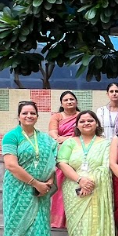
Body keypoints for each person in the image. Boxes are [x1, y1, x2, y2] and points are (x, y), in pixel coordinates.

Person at [0, 101, 58, 236]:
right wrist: (35, 183)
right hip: (18, 190)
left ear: (37, 116)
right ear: (18, 116)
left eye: (32, 113)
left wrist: (48, 182)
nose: (29, 116)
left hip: (41, 191)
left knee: (39, 227)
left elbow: (52, 162)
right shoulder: (11, 136)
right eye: (25, 113)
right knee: (21, 226)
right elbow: (11, 165)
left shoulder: (45, 139)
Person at [57, 111, 115, 236]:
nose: (86, 123)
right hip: (73, 189)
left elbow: (105, 167)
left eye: (90, 120)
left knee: (94, 224)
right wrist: (80, 180)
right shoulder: (69, 142)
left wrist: (89, 183)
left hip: (96, 188)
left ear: (97, 123)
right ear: (77, 125)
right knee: (78, 227)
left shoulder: (106, 143)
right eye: (82, 121)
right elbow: (62, 163)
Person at [48, 90, 79, 228]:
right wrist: (61, 140)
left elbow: (83, 134)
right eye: (66, 100)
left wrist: (65, 139)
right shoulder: (57, 117)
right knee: (60, 185)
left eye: (72, 99)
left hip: (78, 152)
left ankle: (74, 218)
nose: (69, 102)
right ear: (61, 103)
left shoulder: (81, 116)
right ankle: (59, 220)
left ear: (76, 101)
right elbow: (53, 134)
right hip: (62, 153)